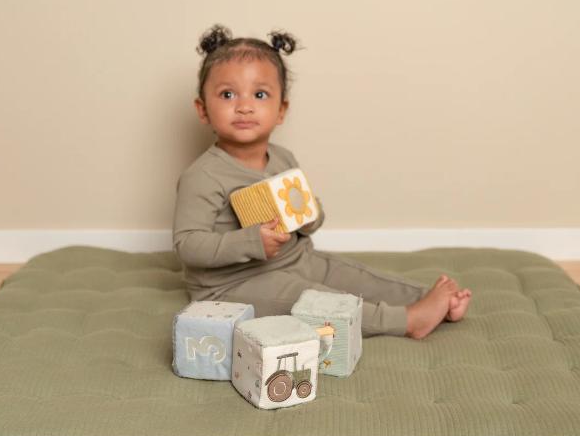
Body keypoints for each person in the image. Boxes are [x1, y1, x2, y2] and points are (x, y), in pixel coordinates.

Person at [172, 24, 472, 339]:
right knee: (316, 302)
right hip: (233, 284)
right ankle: (406, 321)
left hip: (297, 259)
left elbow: (307, 218)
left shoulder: (283, 159)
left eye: (260, 94)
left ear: (281, 110)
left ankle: (429, 299)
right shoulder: (202, 176)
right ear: (203, 110)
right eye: (227, 94)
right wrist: (252, 241)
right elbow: (188, 245)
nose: (244, 106)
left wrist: (310, 215)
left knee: (352, 275)